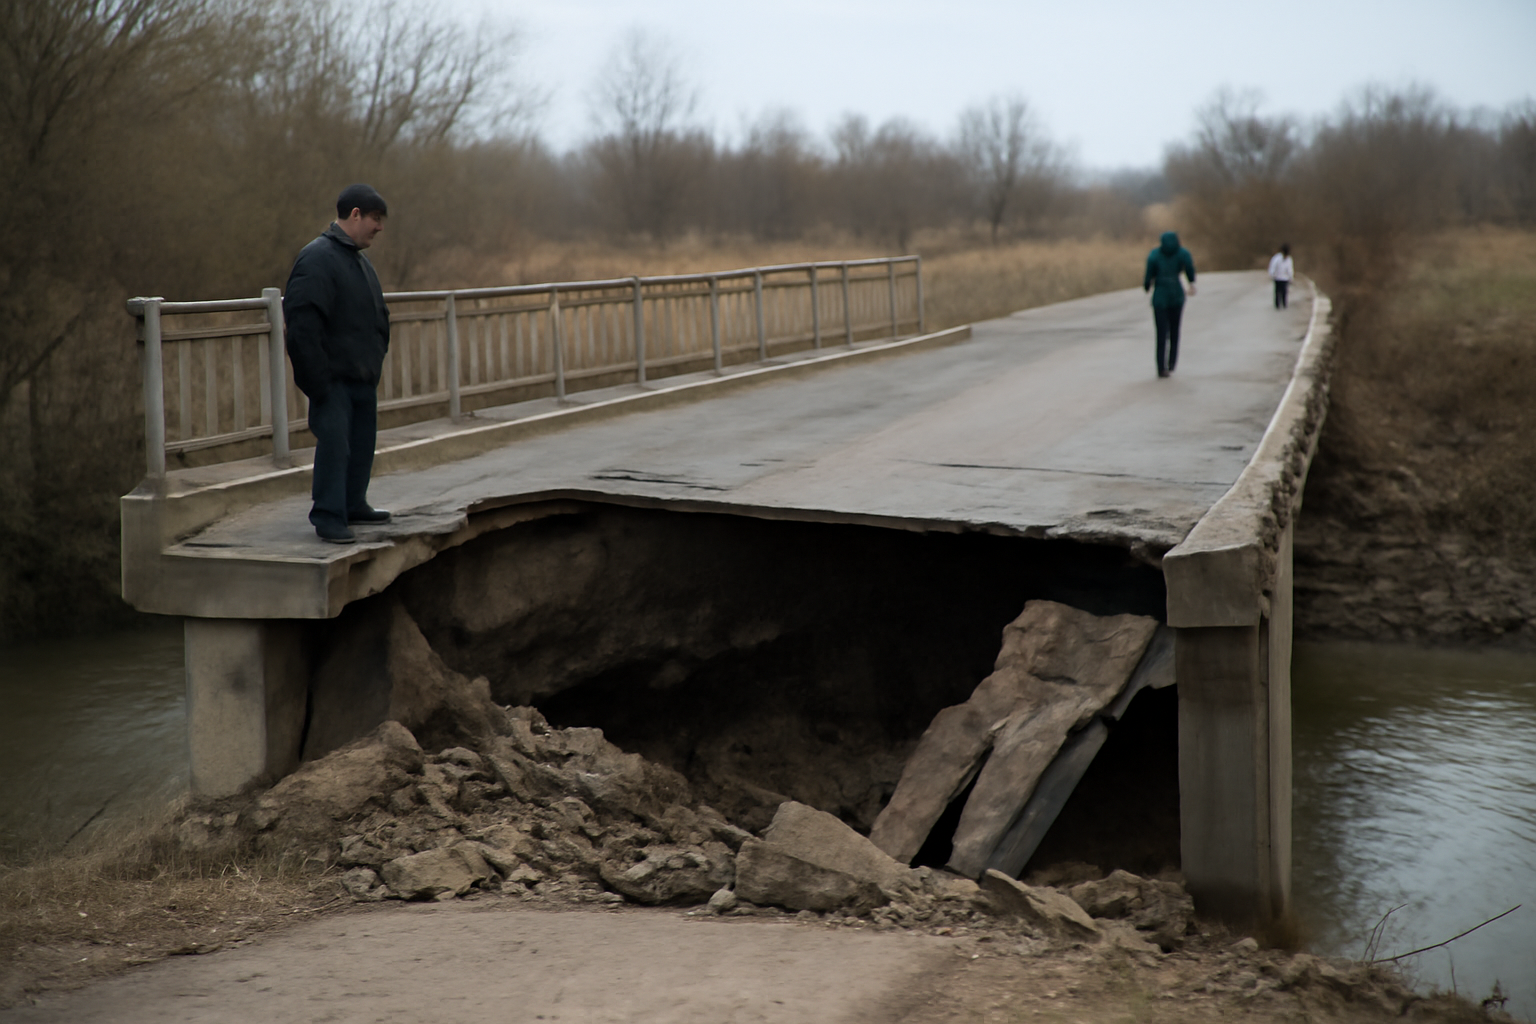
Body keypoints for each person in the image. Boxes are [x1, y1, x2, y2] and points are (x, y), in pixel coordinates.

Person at [284, 184, 393, 543]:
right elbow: (302, 324)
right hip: (332, 380)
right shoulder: (317, 258)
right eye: (375, 219)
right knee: (335, 446)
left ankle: (352, 503)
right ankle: (329, 515)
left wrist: (375, 359)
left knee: (361, 444)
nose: (379, 227)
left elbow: (378, 316)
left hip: (361, 376)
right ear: (356, 214)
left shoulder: (360, 261)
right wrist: (318, 382)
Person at [1143, 231, 1196, 378]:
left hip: (1160, 296)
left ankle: (1161, 367)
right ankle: (1172, 362)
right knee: (1175, 330)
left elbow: (1149, 273)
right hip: (1176, 295)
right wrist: (1191, 282)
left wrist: (1147, 285)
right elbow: (1189, 268)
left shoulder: (1155, 254)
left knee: (1161, 333)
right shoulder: (1182, 253)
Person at [1268, 243, 1294, 309]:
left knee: (1284, 292)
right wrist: (1272, 275)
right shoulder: (1276, 258)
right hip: (1277, 278)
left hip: (1285, 278)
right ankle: (1277, 304)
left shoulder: (1289, 259)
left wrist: (1291, 277)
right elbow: (1272, 267)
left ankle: (1284, 303)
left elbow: (1290, 269)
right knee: (1277, 291)